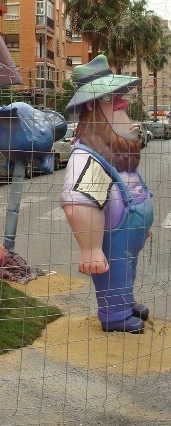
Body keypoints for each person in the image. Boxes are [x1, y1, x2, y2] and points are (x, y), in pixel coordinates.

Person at [60, 55, 154, 333]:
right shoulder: (87, 157)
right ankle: (114, 316)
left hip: (129, 233)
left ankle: (124, 302)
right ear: (93, 105)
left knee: (127, 270)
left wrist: (143, 226)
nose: (123, 105)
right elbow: (80, 204)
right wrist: (90, 248)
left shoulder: (114, 153)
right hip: (112, 233)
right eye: (112, 99)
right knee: (114, 271)